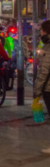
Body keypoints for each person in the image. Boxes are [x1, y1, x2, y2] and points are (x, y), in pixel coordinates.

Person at [34, 20, 50, 154]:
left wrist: (37, 90)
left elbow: (43, 71)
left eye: (41, 30)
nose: (40, 32)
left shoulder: (47, 48)